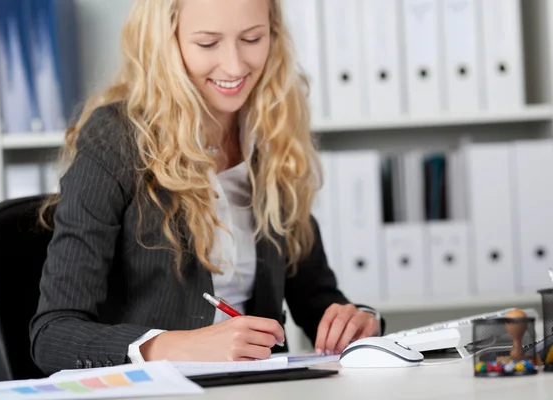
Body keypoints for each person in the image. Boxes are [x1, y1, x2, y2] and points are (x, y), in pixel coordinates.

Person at [29, 0, 384, 375]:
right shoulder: (116, 138)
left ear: (273, 35)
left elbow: (315, 298)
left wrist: (355, 321)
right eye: (207, 44)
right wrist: (177, 346)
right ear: (166, 42)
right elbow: (53, 334)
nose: (234, 65)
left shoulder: (272, 135)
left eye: (252, 38)